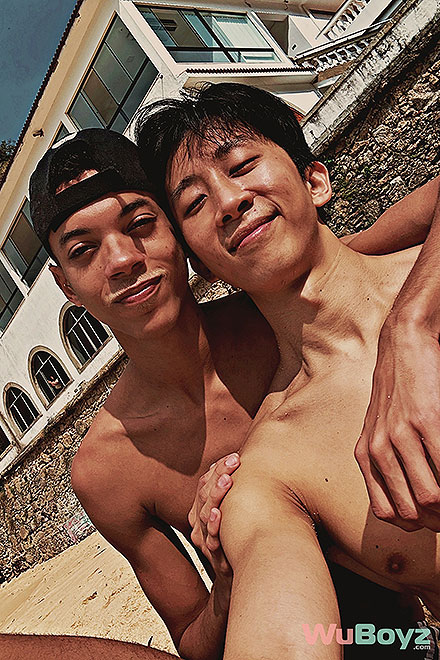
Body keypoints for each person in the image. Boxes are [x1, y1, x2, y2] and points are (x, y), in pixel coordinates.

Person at [1, 123, 437, 660]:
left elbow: (392, 236)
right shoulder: (107, 468)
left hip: (407, 638)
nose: (121, 260)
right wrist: (228, 582)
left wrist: (409, 322)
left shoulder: (284, 315)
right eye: (84, 251)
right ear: (65, 283)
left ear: (180, 237)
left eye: (140, 225)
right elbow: (191, 637)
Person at [135, 82, 440, 658]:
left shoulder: (426, 284)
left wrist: (412, 325)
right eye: (195, 204)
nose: (229, 201)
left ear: (314, 180)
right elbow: (285, 637)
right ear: (201, 264)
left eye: (242, 166)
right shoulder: (269, 468)